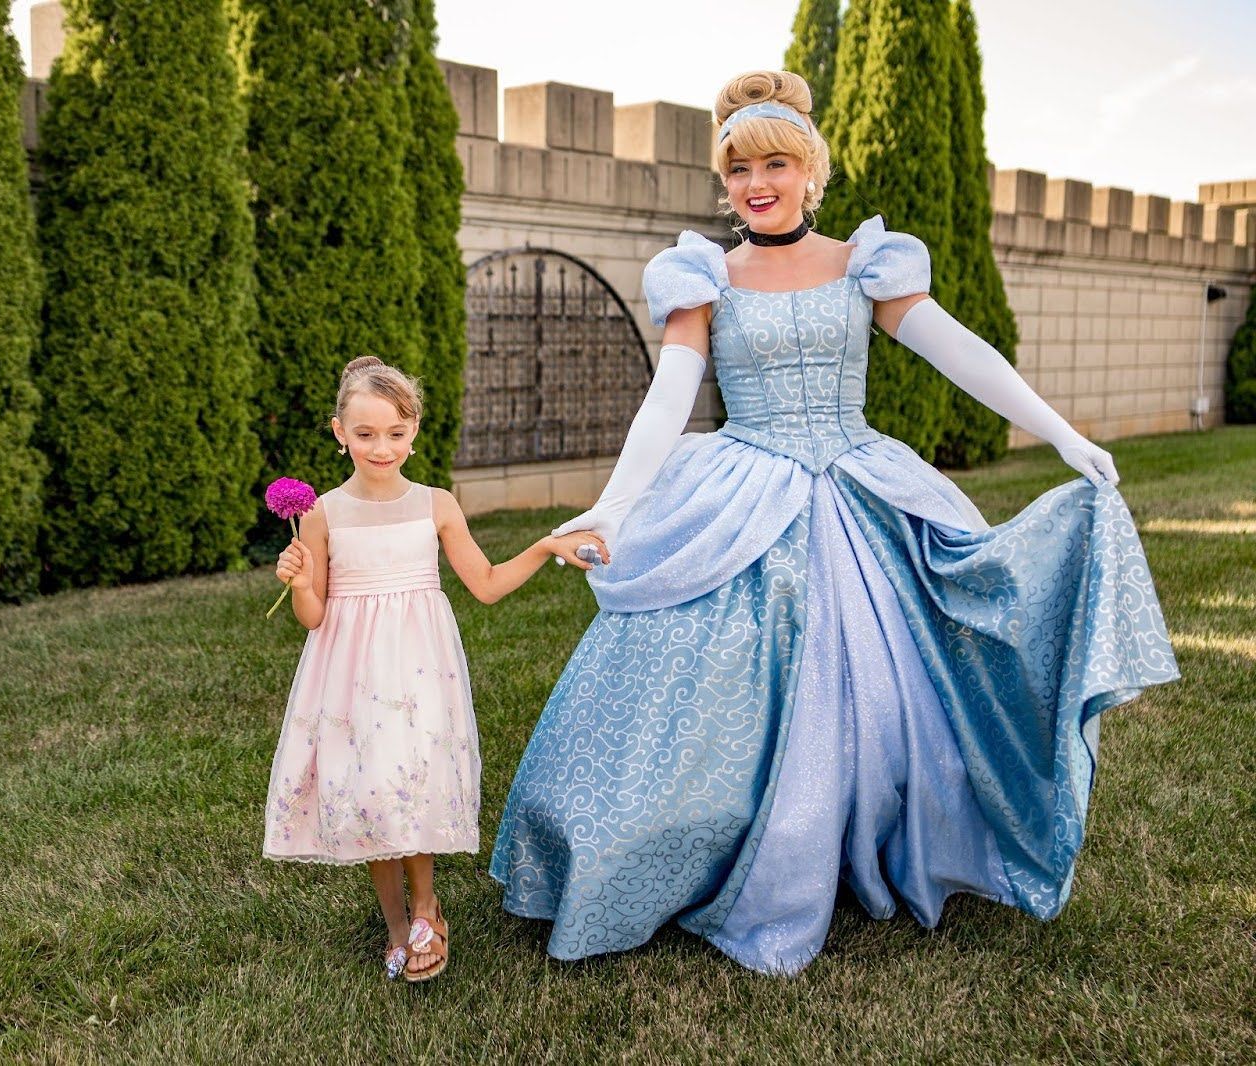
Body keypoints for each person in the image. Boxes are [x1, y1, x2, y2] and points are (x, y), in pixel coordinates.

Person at [488, 71, 1180, 975]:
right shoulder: (705, 274)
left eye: (776, 163)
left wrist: (1062, 434)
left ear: (812, 173)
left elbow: (960, 350)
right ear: (725, 183)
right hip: (744, 489)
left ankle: (875, 829)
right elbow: (668, 399)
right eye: (739, 169)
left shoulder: (868, 265)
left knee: (907, 673)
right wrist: (614, 505)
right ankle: (691, 848)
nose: (757, 182)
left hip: (859, 482)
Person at [263, 356, 608, 982]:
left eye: (395, 433)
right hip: (350, 672)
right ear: (338, 431)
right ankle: (396, 920)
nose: (381, 447)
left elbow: (486, 584)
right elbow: (313, 617)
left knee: (410, 780)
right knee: (369, 783)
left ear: (414, 431)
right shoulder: (322, 515)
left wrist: (543, 546)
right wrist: (301, 580)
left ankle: (427, 905)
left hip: (419, 669)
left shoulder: (435, 505)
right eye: (364, 434)